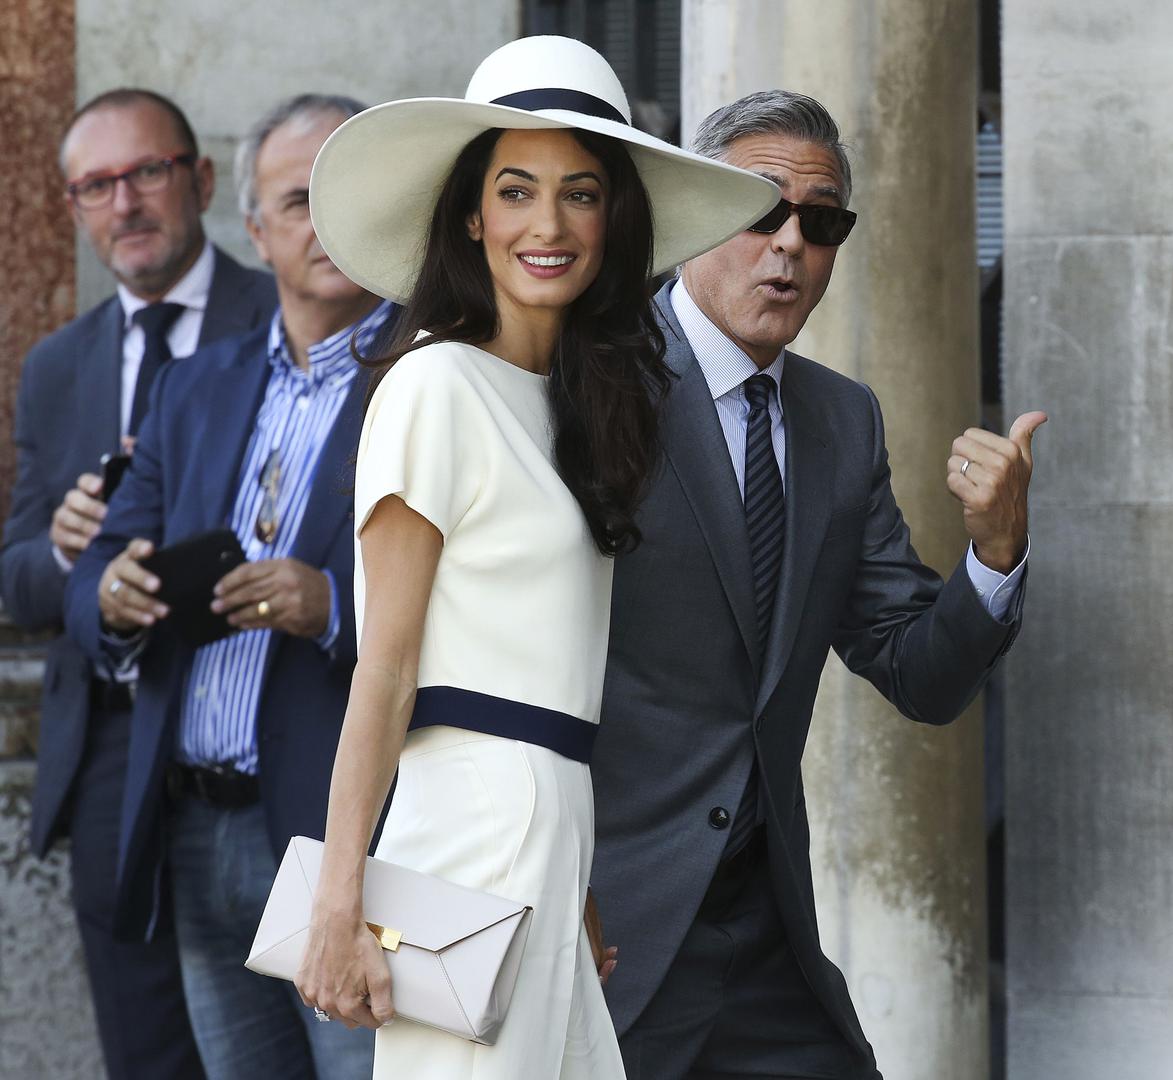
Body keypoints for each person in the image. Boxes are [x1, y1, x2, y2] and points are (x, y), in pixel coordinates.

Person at [290, 36, 777, 1079]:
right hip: (468, 838)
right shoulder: (435, 384)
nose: (548, 225)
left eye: (580, 194)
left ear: (614, 219)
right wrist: (340, 898)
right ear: (472, 214)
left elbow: (545, 667)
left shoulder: (575, 408)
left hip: (554, 835)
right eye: (516, 191)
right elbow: (387, 668)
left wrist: (578, 875)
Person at [588, 90, 1046, 1079]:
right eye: (761, 210)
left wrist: (995, 554)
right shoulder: (588, 380)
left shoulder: (842, 419)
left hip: (768, 939)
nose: (790, 245)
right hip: (607, 928)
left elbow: (920, 673)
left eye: (821, 223)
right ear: (690, 211)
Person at [63, 94, 392, 1080]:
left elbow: (490, 605)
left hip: (345, 840)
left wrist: (331, 607)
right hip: (195, 829)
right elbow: (94, 571)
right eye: (298, 202)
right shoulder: (195, 386)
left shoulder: (434, 378)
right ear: (254, 230)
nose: (326, 224)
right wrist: (113, 596)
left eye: (349, 196)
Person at [0, 86, 276, 1080]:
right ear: (73, 205)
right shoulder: (58, 365)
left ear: (199, 180)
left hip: (256, 735)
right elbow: (18, 581)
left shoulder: (282, 311)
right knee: (144, 1051)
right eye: (97, 185)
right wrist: (66, 548)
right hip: (114, 747)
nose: (125, 203)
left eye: (147, 173)